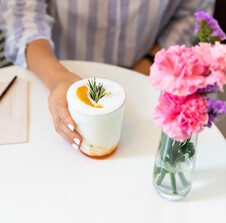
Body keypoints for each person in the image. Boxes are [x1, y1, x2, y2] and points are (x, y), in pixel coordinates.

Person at [0, 0, 215, 149]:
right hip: (58, 73)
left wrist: (147, 66)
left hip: (151, 75)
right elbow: (21, 15)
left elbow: (192, 14)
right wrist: (57, 76)